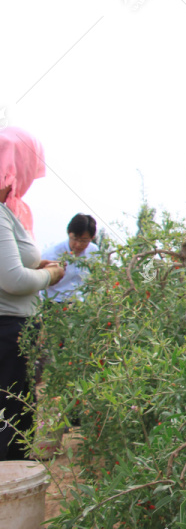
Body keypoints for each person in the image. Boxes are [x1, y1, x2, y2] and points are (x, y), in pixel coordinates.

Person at [0, 127, 65, 461]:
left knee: (13, 413)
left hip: (13, 329)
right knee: (12, 418)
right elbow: (13, 279)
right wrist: (49, 273)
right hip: (8, 331)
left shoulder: (7, 211)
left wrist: (35, 264)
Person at [43, 213, 99, 302]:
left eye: (84, 241)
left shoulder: (93, 252)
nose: (78, 244)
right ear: (68, 233)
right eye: (75, 239)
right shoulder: (52, 253)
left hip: (80, 304)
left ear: (92, 238)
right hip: (54, 303)